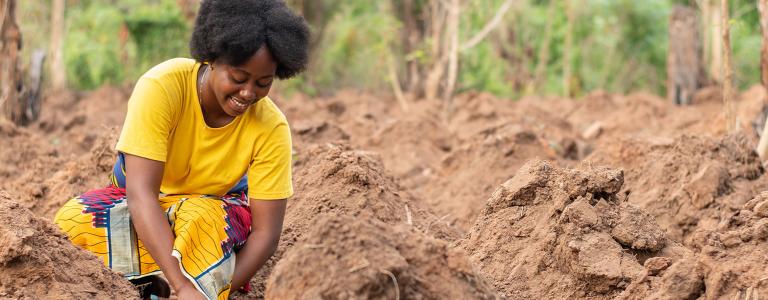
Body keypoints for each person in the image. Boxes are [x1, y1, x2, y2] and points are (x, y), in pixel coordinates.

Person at [53, 1, 309, 299]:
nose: (248, 93)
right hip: (142, 208)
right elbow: (140, 194)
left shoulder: (271, 127)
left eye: (263, 83)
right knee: (74, 220)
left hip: (210, 219)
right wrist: (182, 285)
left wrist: (216, 290)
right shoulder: (162, 87)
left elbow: (266, 235)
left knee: (202, 218)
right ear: (211, 58)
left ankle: (171, 283)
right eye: (238, 78)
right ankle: (154, 281)